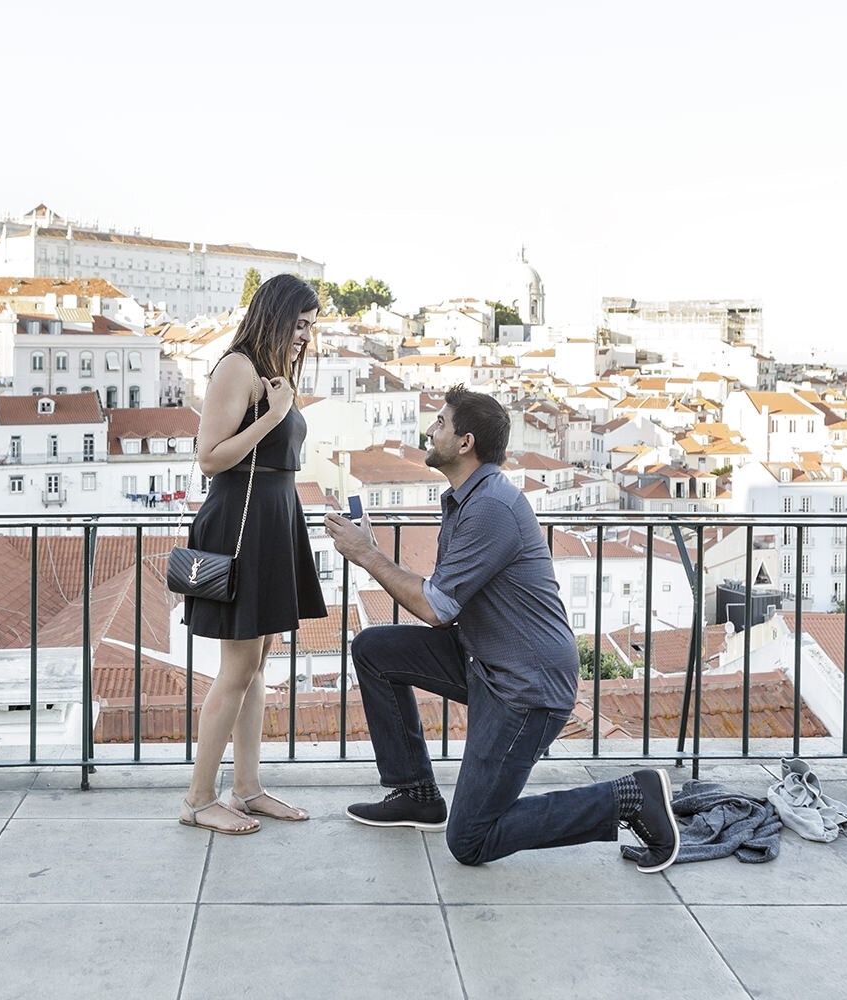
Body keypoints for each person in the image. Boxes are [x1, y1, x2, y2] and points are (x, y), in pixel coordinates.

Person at [324, 386, 679, 871]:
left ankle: (631, 797)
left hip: (524, 688)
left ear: (465, 441)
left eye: (441, 424)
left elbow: (435, 606)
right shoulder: (467, 499)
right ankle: (416, 793)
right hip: (484, 660)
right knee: (374, 650)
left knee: (470, 840)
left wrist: (366, 554)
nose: (430, 430)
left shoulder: (491, 506)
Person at [177, 274, 328, 835]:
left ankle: (246, 788)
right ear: (275, 314)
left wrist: (278, 403)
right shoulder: (236, 367)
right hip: (240, 525)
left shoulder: (271, 371)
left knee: (258, 664)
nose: (305, 336)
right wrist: (270, 415)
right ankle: (197, 799)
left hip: (272, 522)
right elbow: (210, 459)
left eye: (311, 327)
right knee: (238, 667)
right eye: (300, 324)